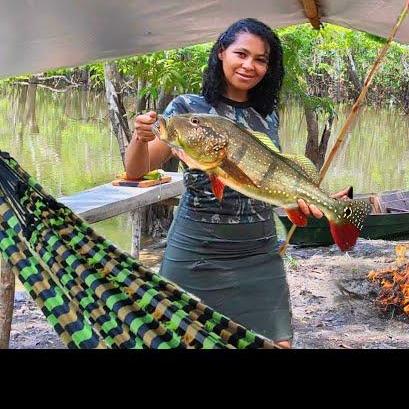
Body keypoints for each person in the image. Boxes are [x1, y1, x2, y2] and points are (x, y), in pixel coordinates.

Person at [124, 18, 349, 348]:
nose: (250, 65)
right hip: (195, 250)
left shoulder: (267, 114)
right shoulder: (188, 110)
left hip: (258, 252)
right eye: (241, 54)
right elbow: (136, 170)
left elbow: (270, 180)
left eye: (260, 60)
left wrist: (304, 202)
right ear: (220, 53)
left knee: (277, 343)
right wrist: (140, 138)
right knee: (175, 340)